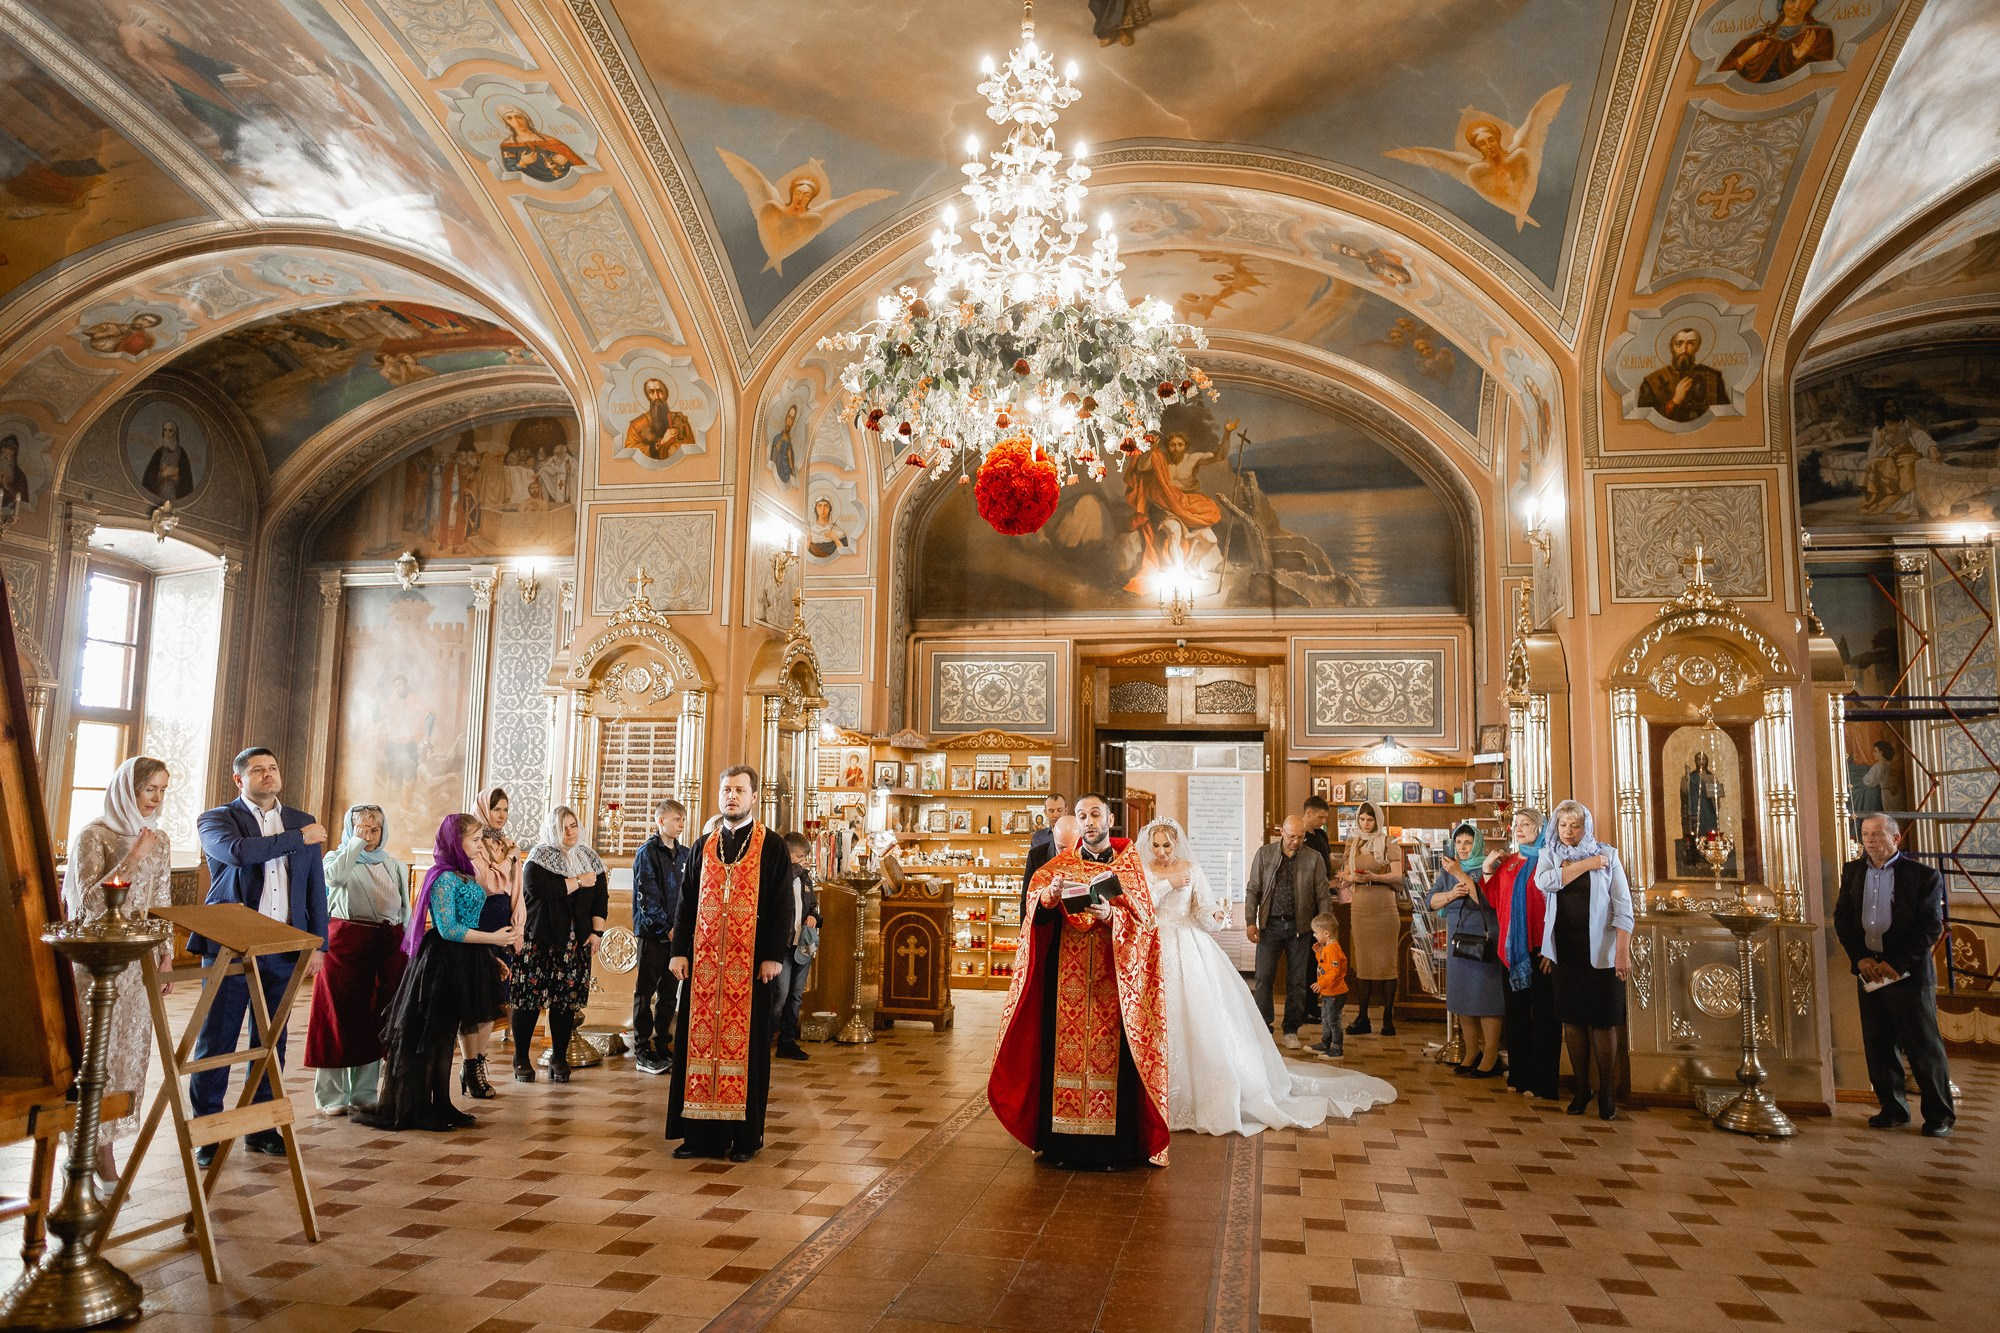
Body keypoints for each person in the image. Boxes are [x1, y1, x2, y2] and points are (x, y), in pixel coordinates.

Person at [1143, 819, 1392, 1134]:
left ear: (1176, 843)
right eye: (1157, 846)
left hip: (1193, 944)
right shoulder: (1145, 870)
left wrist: (1216, 915)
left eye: (1167, 845)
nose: (1163, 852)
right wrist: (1167, 884)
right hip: (1155, 946)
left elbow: (1201, 910)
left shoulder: (1190, 868)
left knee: (1211, 1010)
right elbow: (1140, 907)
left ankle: (1261, 1049)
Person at [988, 817, 1169, 1168]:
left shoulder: (1129, 867)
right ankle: (1062, 1147)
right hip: (1065, 981)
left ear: (1109, 820)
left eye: (1095, 815)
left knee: (1112, 1058)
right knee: (1062, 1056)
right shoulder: (1057, 866)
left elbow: (1146, 925)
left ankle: (1113, 1150)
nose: (1089, 822)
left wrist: (1111, 917)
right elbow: (1035, 920)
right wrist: (1048, 898)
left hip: (1112, 983)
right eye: (1083, 815)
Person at [190, 748, 329, 1167]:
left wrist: (318, 943)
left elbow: (313, 888)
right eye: (257, 770)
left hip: (283, 947)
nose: (267, 775)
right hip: (229, 946)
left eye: (272, 767)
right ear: (239, 780)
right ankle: (208, 1133)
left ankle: (262, 1127)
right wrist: (296, 838)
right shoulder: (216, 819)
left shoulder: (302, 820)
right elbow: (239, 853)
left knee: (271, 1042)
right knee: (218, 1040)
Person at [666, 766, 794, 1161]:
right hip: (703, 968)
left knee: (748, 1050)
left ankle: (743, 1139)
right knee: (695, 1047)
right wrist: (679, 950)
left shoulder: (770, 846)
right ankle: (699, 1136)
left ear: (754, 797)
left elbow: (782, 905)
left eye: (739, 790)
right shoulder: (703, 844)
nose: (731, 796)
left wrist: (773, 954)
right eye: (726, 790)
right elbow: (687, 902)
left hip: (750, 967)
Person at [356, 815, 516, 1132]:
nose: (479, 844)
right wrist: (494, 939)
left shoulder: (465, 873)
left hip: (467, 957)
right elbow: (449, 929)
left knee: (447, 1039)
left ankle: (441, 1103)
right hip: (442, 961)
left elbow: (467, 924)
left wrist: (488, 956)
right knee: (432, 1037)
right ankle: (417, 1108)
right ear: (456, 842)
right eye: (473, 839)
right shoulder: (443, 878)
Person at [61, 756, 174, 1180]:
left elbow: (159, 902)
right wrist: (132, 857)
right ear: (129, 789)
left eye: (163, 790)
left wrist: (165, 951)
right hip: (98, 963)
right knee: (95, 1060)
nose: (157, 799)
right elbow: (87, 903)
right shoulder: (94, 835)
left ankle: (101, 1150)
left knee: (127, 1058)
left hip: (138, 966)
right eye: (150, 789)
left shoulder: (159, 839)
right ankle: (88, 1155)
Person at [1833, 814, 1954, 1135]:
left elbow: (1930, 926)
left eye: (1877, 834)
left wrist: (1897, 963)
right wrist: (1859, 958)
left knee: (1922, 1046)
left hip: (1908, 974)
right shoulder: (1853, 871)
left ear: (1896, 839)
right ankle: (1893, 1109)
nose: (1870, 841)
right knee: (1879, 1042)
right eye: (1865, 834)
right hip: (1869, 970)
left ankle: (1939, 1116)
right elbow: (1843, 918)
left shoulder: (1923, 876)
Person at [304, 804, 408, 1118]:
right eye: (362, 829)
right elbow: (334, 880)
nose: (369, 836)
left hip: (384, 946)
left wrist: (407, 942)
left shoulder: (394, 864)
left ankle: (364, 1092)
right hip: (345, 946)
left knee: (374, 1016)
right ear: (351, 830)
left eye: (374, 830)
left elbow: (404, 906)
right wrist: (355, 844)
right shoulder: (336, 858)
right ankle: (332, 1095)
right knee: (337, 1016)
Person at [1535, 800, 1634, 1121]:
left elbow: (1623, 907)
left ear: (1586, 827)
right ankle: (1581, 1090)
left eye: (1575, 826)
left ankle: (1606, 1091)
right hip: (1565, 951)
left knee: (1603, 1023)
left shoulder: (1609, 855)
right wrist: (1584, 865)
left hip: (1603, 953)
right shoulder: (1549, 856)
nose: (1568, 832)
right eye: (1563, 825)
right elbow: (1545, 882)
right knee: (1573, 1023)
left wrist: (1622, 950)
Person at [513, 806, 606, 1082]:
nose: (570, 832)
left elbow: (601, 898)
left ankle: (559, 1057)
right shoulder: (539, 857)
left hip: (574, 942)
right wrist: (577, 881)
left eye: (573, 825)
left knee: (565, 1003)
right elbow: (539, 889)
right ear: (552, 829)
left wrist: (597, 932)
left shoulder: (589, 857)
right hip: (539, 939)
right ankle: (520, 1058)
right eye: (563, 827)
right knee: (529, 1001)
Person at [1486, 808, 1561, 1100]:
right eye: (1516, 824)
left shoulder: (1549, 860)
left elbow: (1557, 906)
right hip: (1511, 949)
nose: (1518, 829)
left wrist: (1553, 948)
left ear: (1540, 828)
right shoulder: (1508, 863)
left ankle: (1543, 1082)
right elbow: (1495, 900)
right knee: (1516, 1015)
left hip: (1540, 949)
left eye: (1526, 824)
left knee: (1543, 1016)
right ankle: (1519, 1075)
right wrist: (1488, 870)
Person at [1245, 816, 1332, 1050]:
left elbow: (1323, 896)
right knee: (1263, 979)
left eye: (1301, 836)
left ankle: (1291, 1029)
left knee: (1297, 982)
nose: (1296, 841)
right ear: (1281, 832)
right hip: (1269, 926)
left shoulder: (1313, 859)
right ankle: (1264, 1026)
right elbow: (1253, 889)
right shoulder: (1264, 854)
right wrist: (1250, 922)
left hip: (1300, 927)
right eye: (1292, 836)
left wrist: (1326, 932)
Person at [1428, 821, 1505, 1078]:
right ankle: (1472, 1053)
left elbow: (1486, 901)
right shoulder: (1448, 872)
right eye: (1458, 842)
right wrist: (1450, 894)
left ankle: (1491, 1056)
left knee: (1486, 1000)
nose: (1462, 847)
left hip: (1483, 939)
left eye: (1468, 842)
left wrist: (1462, 875)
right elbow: (1432, 900)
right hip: (1457, 940)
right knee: (1462, 1000)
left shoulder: (1490, 867)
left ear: (1478, 844)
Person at [632, 798, 689, 1077]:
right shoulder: (647, 853)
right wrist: (668, 927)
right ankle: (642, 1049)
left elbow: (689, 894)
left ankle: (663, 1043)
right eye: (676, 819)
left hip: (677, 937)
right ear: (660, 821)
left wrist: (682, 929)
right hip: (653, 934)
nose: (680, 824)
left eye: (682, 820)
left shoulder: (686, 855)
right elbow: (647, 895)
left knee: (669, 994)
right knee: (645, 992)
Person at [462, 827, 519, 1098]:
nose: (500, 814)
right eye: (495, 808)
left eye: (505, 809)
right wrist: (507, 861)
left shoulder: (507, 844)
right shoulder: (469, 857)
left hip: (500, 931)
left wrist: (517, 926)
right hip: (478, 933)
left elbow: (514, 889)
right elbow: (487, 883)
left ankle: (478, 1062)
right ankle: (470, 1065)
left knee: (492, 1004)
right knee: (473, 1004)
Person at [1340, 802, 1405, 1036]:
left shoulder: (1390, 842)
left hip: (1383, 904)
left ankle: (1388, 1019)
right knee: (1364, 963)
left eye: (1370, 820)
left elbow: (1397, 875)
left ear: (1378, 820)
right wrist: (1350, 878)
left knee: (1388, 963)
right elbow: (1346, 872)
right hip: (1360, 906)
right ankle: (1363, 1017)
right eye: (1362, 820)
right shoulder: (1354, 841)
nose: (1365, 824)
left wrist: (1374, 876)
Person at [772, 831, 819, 1062]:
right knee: (779, 994)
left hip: (801, 944)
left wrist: (813, 917)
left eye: (805, 857)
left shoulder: (806, 878)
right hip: (782, 945)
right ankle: (766, 1035)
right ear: (787, 853)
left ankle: (787, 1041)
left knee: (796, 995)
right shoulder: (777, 875)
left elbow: (812, 906)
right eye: (799, 856)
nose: (803, 861)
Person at [1018, 792, 1070, 907]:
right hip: (1043, 892)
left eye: (1059, 810)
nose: (1056, 815)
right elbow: (1032, 870)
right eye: (1051, 811)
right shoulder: (1038, 837)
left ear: (1066, 810)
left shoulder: (1075, 834)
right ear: (1045, 813)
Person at [1309, 914, 1349, 1061]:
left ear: (1326, 933)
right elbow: (1324, 965)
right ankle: (1326, 1044)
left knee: (1333, 1021)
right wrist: (1318, 952)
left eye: (1316, 932)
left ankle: (1337, 1048)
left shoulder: (1332, 949)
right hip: (1328, 992)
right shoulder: (1327, 948)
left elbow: (1334, 971)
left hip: (1335, 993)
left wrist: (1321, 984)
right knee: (1326, 1019)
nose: (1314, 935)